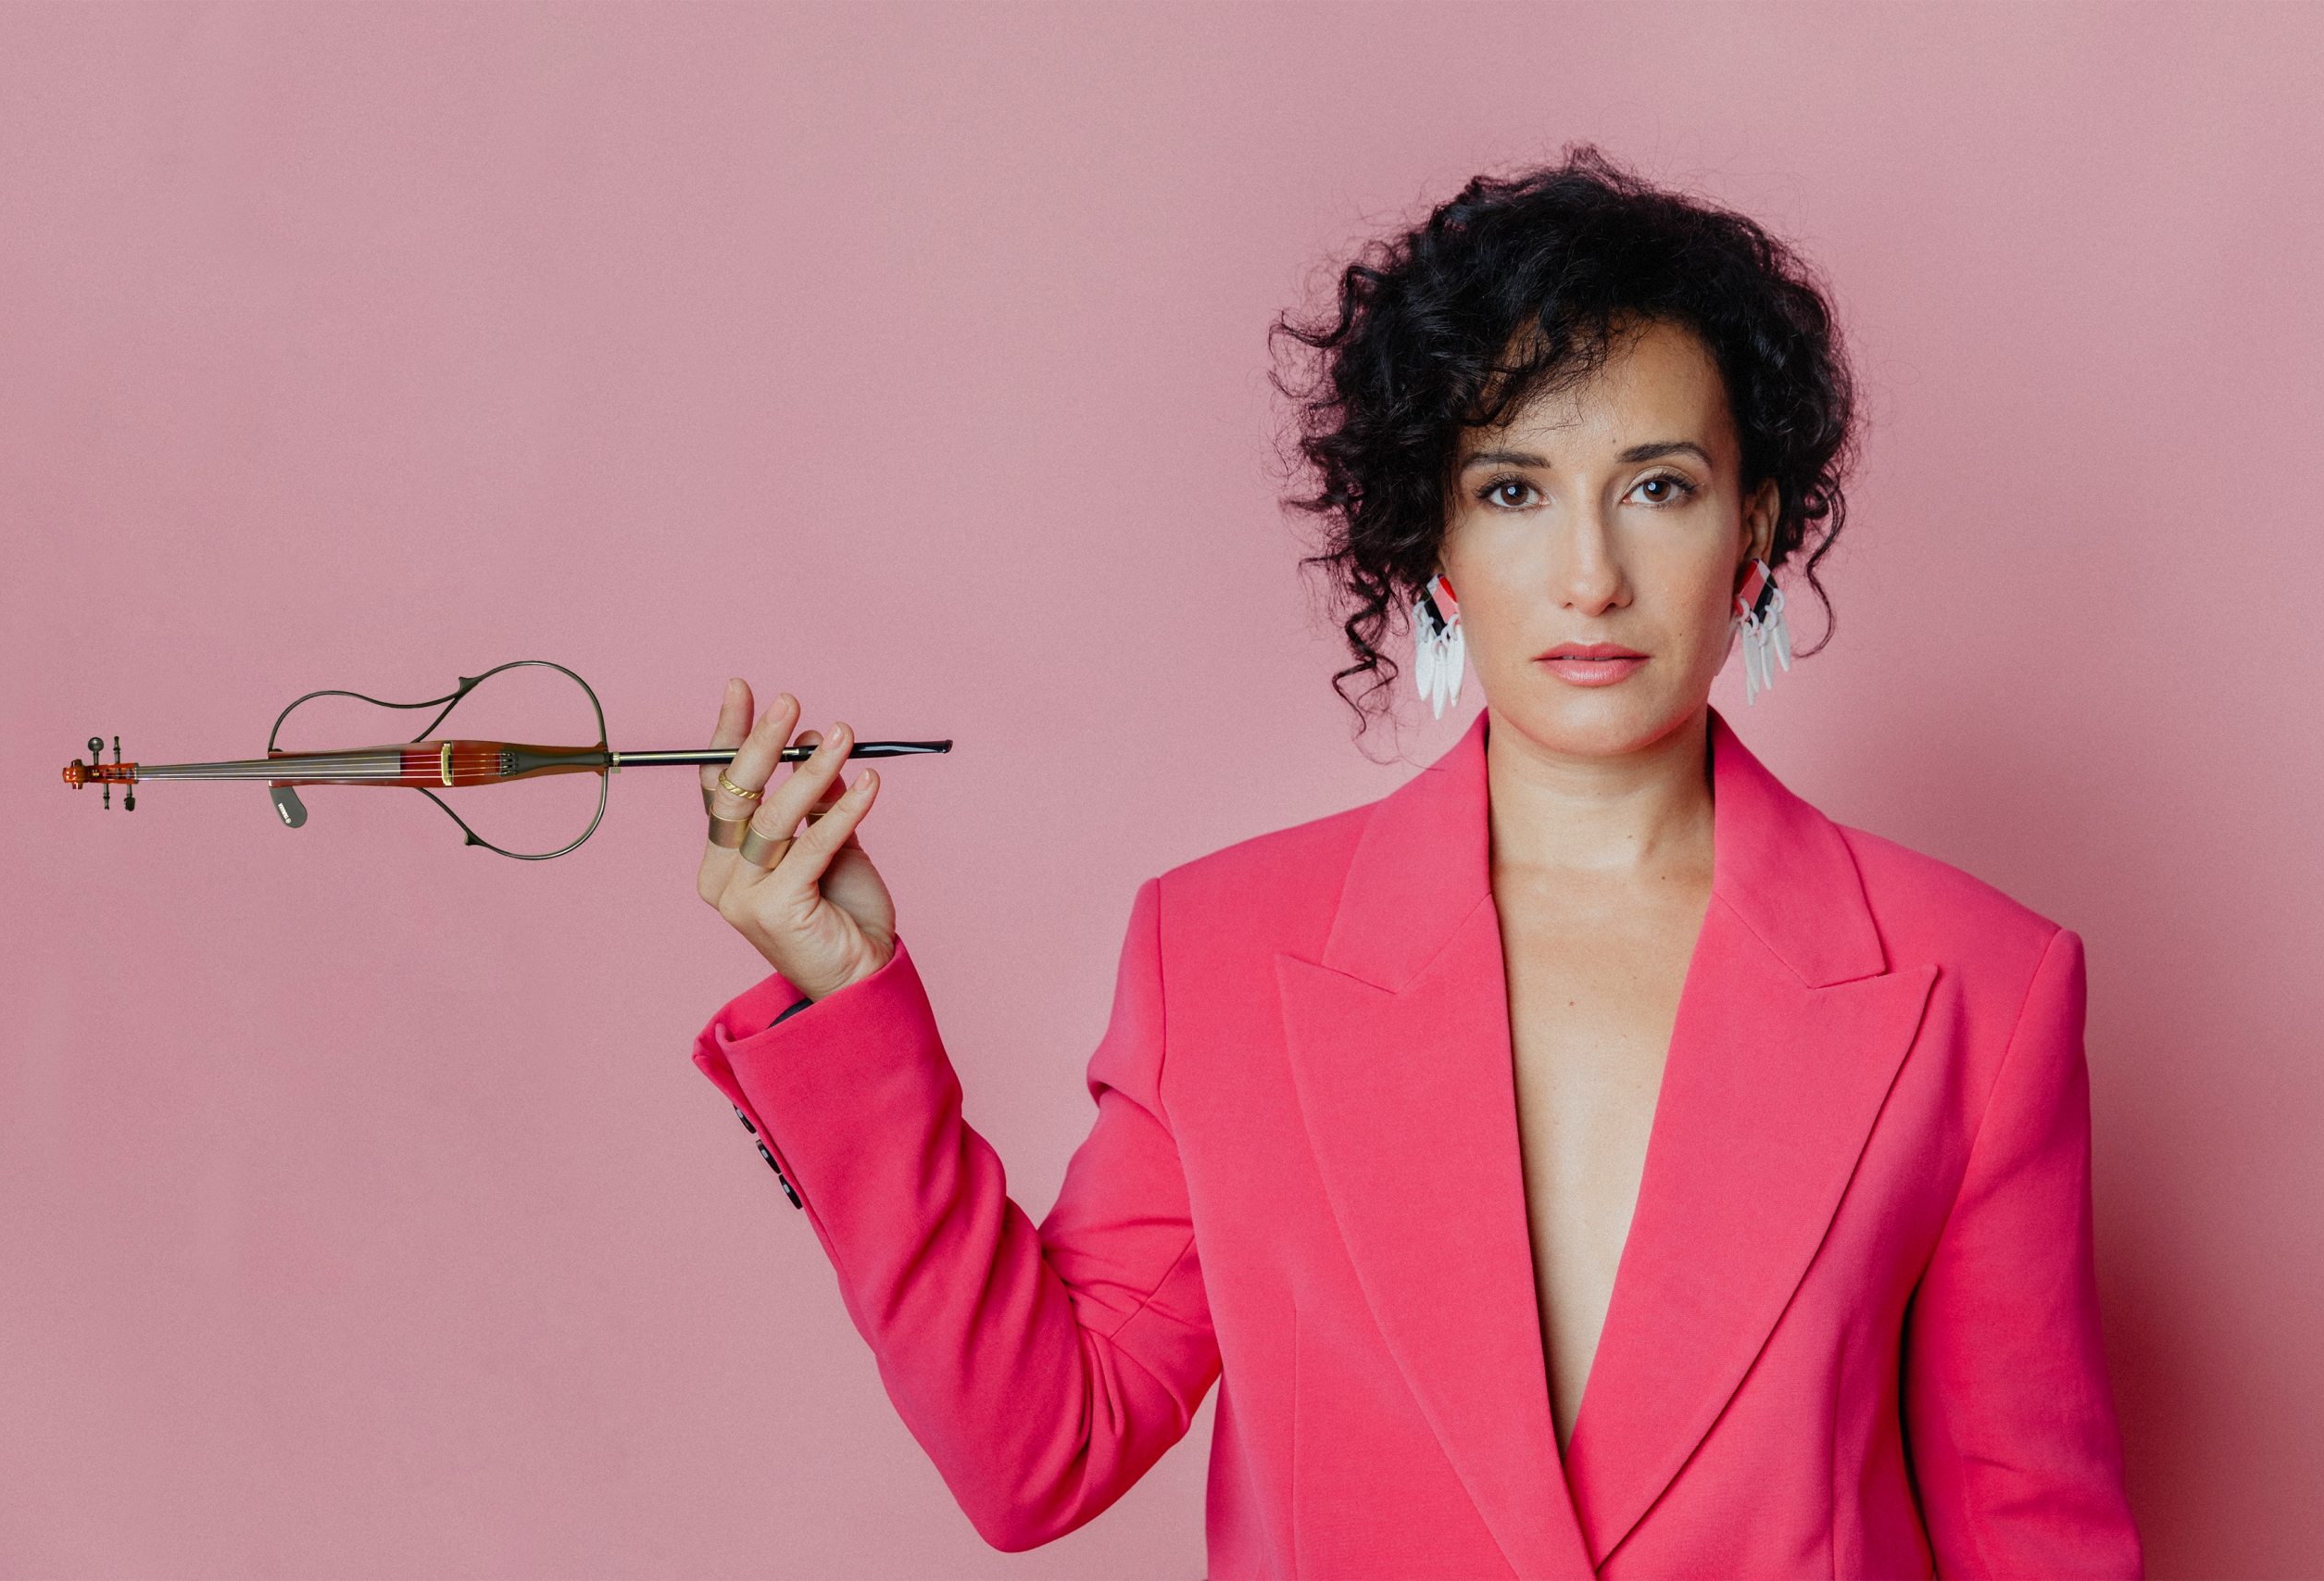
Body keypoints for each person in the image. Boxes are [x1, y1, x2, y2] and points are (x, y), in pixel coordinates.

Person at [683, 149, 2141, 1578]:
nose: (1591, 577)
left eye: (1658, 487)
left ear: (1752, 522)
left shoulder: (1981, 987)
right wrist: (847, 995)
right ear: (1432, 539)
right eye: (1513, 491)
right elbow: (1038, 1450)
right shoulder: (1220, 956)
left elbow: (2036, 1541)